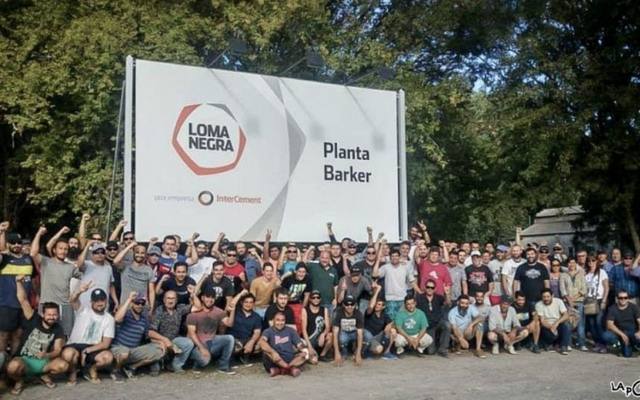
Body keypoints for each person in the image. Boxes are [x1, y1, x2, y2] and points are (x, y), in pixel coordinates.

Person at [7, 276, 68, 395]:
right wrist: (18, 282)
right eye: (49, 314)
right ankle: (20, 381)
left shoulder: (58, 329)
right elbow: (23, 299)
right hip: (24, 360)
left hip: (43, 362)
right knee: (12, 367)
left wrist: (47, 354)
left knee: (63, 365)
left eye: (54, 315)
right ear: (43, 314)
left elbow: (57, 350)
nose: (52, 317)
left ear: (58, 315)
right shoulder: (33, 318)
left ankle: (42, 375)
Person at [31, 226, 83, 337]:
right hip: (46, 304)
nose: (63, 251)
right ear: (54, 250)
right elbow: (33, 253)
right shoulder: (46, 261)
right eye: (60, 248)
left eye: (66, 249)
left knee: (64, 335)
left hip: (65, 305)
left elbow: (83, 275)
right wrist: (39, 233)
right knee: (43, 335)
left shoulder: (71, 267)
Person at [62, 284, 115, 384]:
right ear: (91, 302)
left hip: (93, 347)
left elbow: (106, 343)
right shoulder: (83, 310)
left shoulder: (109, 319)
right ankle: (73, 371)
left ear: (106, 301)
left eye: (102, 300)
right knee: (68, 354)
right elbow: (72, 300)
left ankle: (92, 369)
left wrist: (88, 350)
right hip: (75, 345)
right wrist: (79, 291)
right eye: (96, 301)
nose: (99, 303)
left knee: (108, 357)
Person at [109, 292, 164, 380]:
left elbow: (148, 336)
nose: (139, 305)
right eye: (137, 303)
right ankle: (116, 371)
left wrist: (161, 342)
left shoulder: (144, 319)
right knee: (124, 353)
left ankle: (132, 367)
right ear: (132, 303)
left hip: (133, 350)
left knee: (160, 351)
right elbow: (117, 318)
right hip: (119, 348)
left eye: (142, 303)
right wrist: (129, 299)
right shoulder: (126, 314)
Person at [0, 226, 35, 359]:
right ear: (8, 244)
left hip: (23, 307)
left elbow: (32, 282)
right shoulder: (4, 259)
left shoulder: (28, 260)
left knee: (18, 336)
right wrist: (2, 233)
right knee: (3, 336)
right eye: (13, 242)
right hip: (6, 305)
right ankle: (2, 368)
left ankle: (13, 366)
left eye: (19, 243)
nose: (16, 245)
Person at [186, 285, 238, 374]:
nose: (210, 300)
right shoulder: (194, 313)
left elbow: (229, 323)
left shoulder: (219, 312)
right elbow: (192, 334)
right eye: (207, 297)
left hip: (212, 341)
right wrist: (201, 348)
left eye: (212, 297)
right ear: (202, 298)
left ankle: (223, 366)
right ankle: (196, 364)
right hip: (198, 344)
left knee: (230, 338)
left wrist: (233, 310)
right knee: (204, 361)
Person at [148, 290, 194, 373]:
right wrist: (165, 340)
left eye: (173, 298)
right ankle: (157, 363)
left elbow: (197, 307)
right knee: (155, 370)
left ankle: (176, 365)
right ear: (164, 300)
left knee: (188, 343)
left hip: (174, 339)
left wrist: (193, 294)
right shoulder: (159, 310)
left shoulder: (179, 308)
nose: (170, 301)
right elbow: (150, 332)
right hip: (159, 341)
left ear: (176, 300)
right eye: (168, 298)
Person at [372, 246, 420, 320]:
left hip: (402, 298)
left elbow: (412, 281)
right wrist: (378, 261)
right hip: (390, 299)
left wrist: (420, 291)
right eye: (392, 256)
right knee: (391, 321)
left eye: (396, 256)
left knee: (403, 320)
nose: (394, 258)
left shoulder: (405, 267)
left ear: (399, 257)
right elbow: (374, 274)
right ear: (390, 257)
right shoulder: (386, 267)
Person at [260, 312, 307, 377]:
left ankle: (281, 370)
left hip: (290, 359)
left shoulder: (291, 330)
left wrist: (303, 349)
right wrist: (273, 352)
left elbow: (299, 344)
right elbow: (262, 342)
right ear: (273, 320)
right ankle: (290, 369)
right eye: (278, 320)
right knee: (266, 352)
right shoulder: (267, 331)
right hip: (275, 359)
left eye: (283, 320)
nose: (280, 323)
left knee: (305, 354)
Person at [114, 241, 156, 311]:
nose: (139, 255)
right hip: (125, 307)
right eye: (137, 252)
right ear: (133, 253)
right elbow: (115, 261)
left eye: (142, 253)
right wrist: (129, 246)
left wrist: (151, 308)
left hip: (142, 307)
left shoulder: (149, 270)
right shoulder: (125, 266)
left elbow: (151, 291)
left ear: (145, 255)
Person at [77, 242, 118, 311]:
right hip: (85, 305)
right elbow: (79, 263)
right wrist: (87, 246)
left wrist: (116, 301)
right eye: (96, 252)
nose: (100, 254)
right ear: (92, 254)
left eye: (102, 252)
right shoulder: (87, 264)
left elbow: (111, 285)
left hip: (102, 306)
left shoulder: (108, 268)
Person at [416, 279, 450, 357]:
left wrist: (447, 294)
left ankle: (443, 349)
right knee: (431, 351)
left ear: (435, 289)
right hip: (427, 326)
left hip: (437, 322)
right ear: (425, 287)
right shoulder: (419, 297)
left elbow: (448, 304)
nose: (430, 289)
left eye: (432, 287)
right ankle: (429, 347)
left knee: (447, 325)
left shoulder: (439, 297)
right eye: (428, 287)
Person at [226, 292, 262, 365]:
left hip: (247, 339)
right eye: (246, 302)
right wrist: (240, 294)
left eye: (251, 302)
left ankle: (243, 357)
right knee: (237, 345)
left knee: (259, 345)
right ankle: (232, 359)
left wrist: (251, 342)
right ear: (242, 303)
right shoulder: (235, 312)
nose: (248, 304)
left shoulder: (257, 316)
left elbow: (257, 332)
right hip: (233, 339)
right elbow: (231, 305)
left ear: (253, 304)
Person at [602, 290, 640, 358]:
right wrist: (622, 335)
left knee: (637, 338)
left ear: (628, 298)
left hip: (632, 332)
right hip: (619, 332)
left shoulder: (634, 307)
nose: (623, 299)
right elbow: (609, 324)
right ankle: (619, 345)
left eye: (625, 297)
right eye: (621, 298)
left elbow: (639, 321)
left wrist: (639, 332)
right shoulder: (612, 308)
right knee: (605, 335)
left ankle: (634, 346)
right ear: (617, 298)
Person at [560, 257, 587, 351]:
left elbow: (584, 289)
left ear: (576, 264)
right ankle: (569, 343)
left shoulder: (581, 274)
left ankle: (582, 343)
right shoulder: (563, 275)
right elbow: (562, 289)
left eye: (573, 262)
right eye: (570, 263)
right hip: (567, 303)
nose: (571, 264)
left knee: (580, 323)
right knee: (569, 323)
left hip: (579, 301)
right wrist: (569, 299)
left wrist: (574, 299)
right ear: (567, 264)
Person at [362, 283, 396, 359]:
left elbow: (392, 323)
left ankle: (387, 352)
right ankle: (365, 351)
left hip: (377, 337)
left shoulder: (384, 315)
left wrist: (389, 326)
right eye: (376, 304)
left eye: (379, 304)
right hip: (367, 337)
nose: (377, 306)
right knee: (378, 349)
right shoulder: (369, 312)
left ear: (383, 307)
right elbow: (371, 306)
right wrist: (377, 291)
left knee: (393, 330)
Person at [535, 289, 571, 355]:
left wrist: (557, 323)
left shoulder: (559, 301)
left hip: (558, 323)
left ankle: (563, 346)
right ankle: (549, 344)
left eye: (548, 296)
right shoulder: (539, 304)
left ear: (552, 296)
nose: (546, 299)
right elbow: (542, 321)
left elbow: (566, 315)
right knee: (549, 334)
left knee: (566, 326)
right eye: (544, 297)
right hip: (546, 325)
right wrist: (551, 327)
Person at [300, 290, 332, 363]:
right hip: (308, 339)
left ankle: (322, 355)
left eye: (318, 297)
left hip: (319, 339)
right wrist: (309, 346)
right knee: (314, 361)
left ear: (320, 299)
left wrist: (323, 334)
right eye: (313, 297)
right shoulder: (305, 310)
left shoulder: (324, 310)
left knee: (330, 335)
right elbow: (304, 330)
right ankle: (311, 352)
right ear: (310, 299)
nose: (316, 299)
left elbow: (327, 327)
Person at [585, 256, 609, 353]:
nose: (591, 262)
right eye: (589, 260)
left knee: (599, 323)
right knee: (591, 324)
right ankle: (597, 343)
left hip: (599, 300)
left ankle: (604, 344)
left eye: (593, 260)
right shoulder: (586, 274)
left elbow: (606, 287)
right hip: (589, 301)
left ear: (597, 261)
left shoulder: (602, 272)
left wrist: (604, 300)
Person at [332, 294, 364, 366]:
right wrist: (336, 353)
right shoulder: (338, 313)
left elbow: (360, 334)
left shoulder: (358, 314)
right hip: (344, 333)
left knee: (367, 337)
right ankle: (344, 352)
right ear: (343, 305)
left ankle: (357, 352)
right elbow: (335, 333)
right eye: (347, 304)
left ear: (355, 305)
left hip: (354, 333)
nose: (350, 307)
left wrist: (359, 353)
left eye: (352, 304)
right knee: (341, 338)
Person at [304, 248, 339, 313]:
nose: (324, 260)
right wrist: (309, 249)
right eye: (322, 258)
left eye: (327, 258)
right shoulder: (313, 266)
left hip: (329, 302)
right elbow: (303, 262)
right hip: (314, 301)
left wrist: (335, 298)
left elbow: (335, 286)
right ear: (319, 258)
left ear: (329, 259)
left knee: (329, 322)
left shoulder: (333, 270)